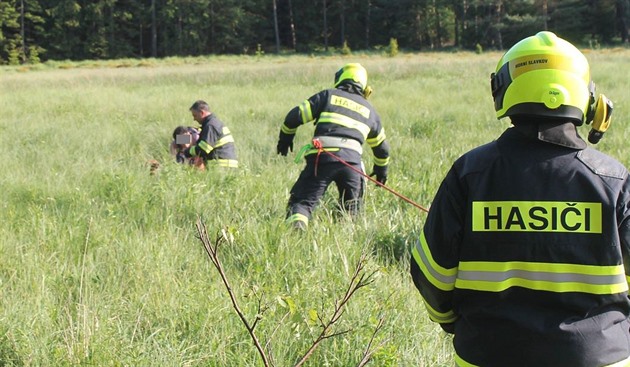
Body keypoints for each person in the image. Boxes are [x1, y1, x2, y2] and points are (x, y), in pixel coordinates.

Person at [410, 31, 629, 367]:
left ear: (504, 90)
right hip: (599, 358)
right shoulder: (613, 180)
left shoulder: (470, 173)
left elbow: (432, 272)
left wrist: (452, 322)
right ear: (587, 96)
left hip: (488, 354)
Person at [276, 63, 390, 229]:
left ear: (340, 78)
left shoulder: (328, 96)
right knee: (351, 210)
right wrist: (381, 171)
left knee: (302, 202)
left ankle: (296, 232)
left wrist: (285, 138)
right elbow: (382, 149)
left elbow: (294, 116)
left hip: (322, 160)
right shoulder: (370, 112)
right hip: (352, 165)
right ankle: (347, 242)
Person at [181, 100, 238, 168]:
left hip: (221, 165)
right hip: (226, 164)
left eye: (195, 115)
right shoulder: (213, 123)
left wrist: (187, 152)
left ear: (202, 113)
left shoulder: (210, 126)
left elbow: (204, 149)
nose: (194, 119)